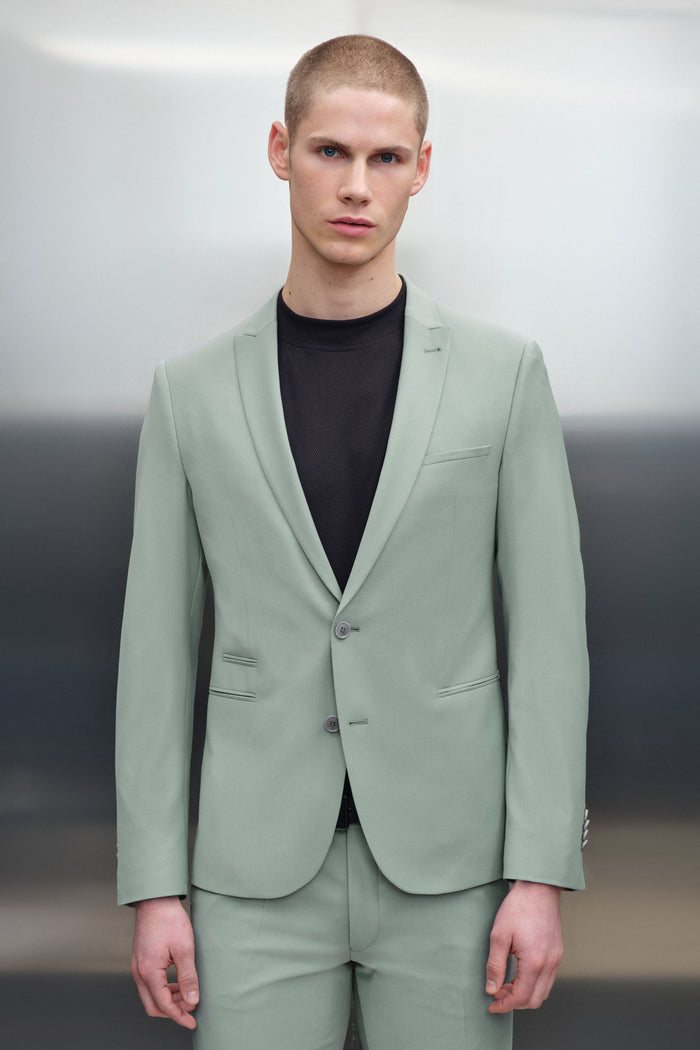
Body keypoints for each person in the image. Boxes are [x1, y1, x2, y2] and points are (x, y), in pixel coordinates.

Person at [116, 34, 589, 1050]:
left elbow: (552, 638)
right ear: (280, 150)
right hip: (250, 879)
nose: (356, 186)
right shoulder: (189, 393)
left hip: (454, 873)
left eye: (385, 158)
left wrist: (540, 871)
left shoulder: (504, 376)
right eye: (330, 151)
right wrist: (153, 886)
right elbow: (154, 652)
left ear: (422, 167)